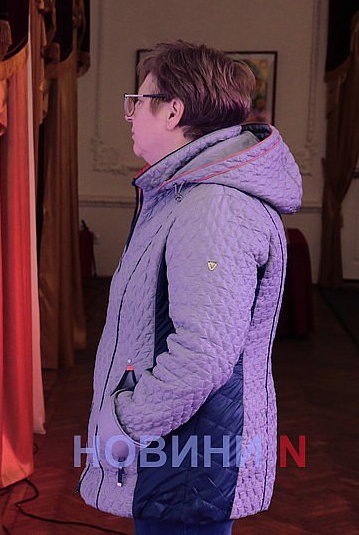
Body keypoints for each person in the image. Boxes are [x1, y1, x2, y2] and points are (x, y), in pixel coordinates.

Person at [77, 41, 302, 534]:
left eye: (138, 101)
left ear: (173, 111)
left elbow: (203, 351)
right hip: (182, 455)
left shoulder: (212, 207)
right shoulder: (189, 195)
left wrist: (128, 422)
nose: (130, 114)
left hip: (184, 462)